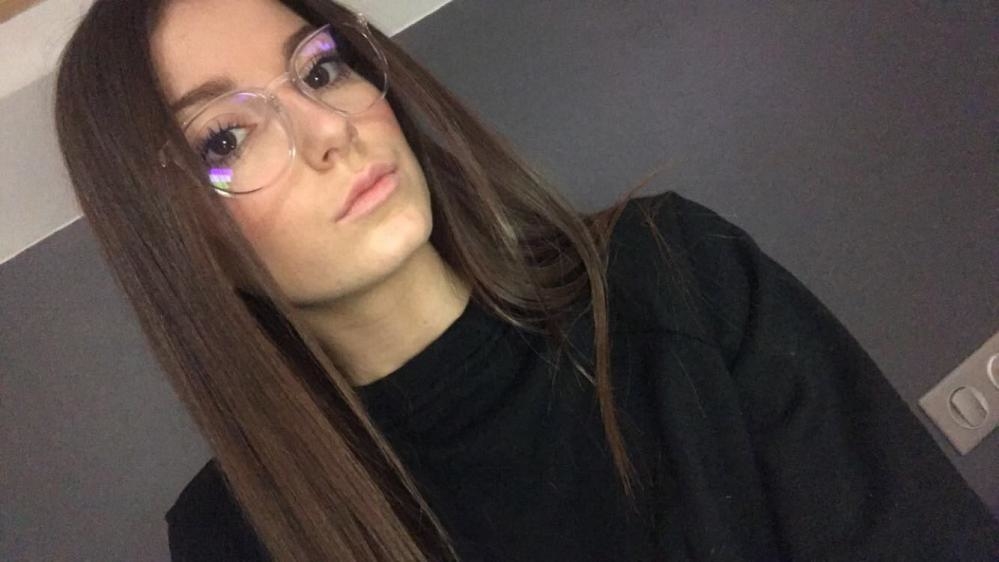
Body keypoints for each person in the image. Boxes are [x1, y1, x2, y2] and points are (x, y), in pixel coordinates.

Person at [53, 0, 999, 560]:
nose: (330, 129)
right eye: (226, 137)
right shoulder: (233, 534)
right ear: (173, 238)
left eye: (320, 70)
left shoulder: (674, 276)